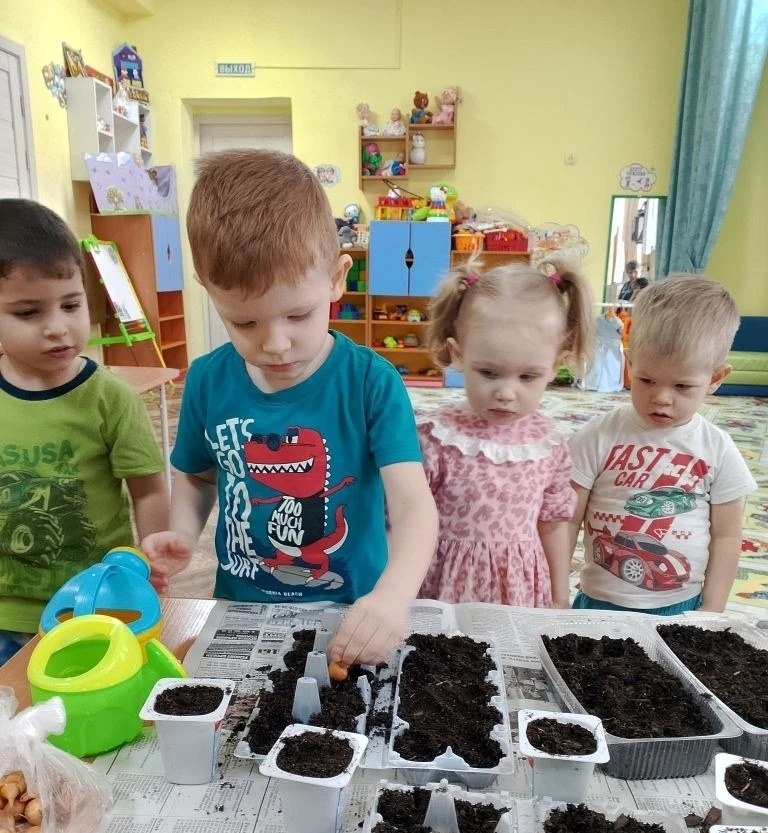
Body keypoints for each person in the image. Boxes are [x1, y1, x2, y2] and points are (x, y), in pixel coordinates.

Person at [141, 149, 438, 667]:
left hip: (350, 611)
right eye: (244, 323)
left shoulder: (370, 382)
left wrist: (393, 598)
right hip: (240, 608)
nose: (275, 344)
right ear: (208, 290)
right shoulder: (208, 380)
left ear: (336, 278)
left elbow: (414, 507)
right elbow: (198, 475)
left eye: (298, 315)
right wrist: (183, 534)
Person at [0, 198, 169, 665]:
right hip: (6, 612)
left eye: (71, 305)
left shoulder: (110, 398)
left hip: (96, 604)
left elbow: (149, 489)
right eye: (28, 313)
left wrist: (152, 555)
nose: (58, 328)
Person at [569, 273, 756, 615]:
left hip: (679, 609)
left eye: (682, 386)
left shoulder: (718, 449)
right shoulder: (597, 436)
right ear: (631, 363)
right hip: (598, 605)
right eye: (646, 380)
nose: (661, 398)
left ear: (715, 379)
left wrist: (712, 608)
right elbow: (566, 519)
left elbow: (727, 536)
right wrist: (553, 591)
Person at [416, 256, 594, 608]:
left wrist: (560, 597)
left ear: (555, 366)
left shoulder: (549, 445)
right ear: (458, 354)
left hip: (520, 589)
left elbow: (553, 523)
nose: (506, 393)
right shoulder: (435, 438)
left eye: (528, 376)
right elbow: (403, 521)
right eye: (489, 373)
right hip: (443, 587)